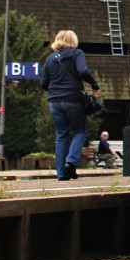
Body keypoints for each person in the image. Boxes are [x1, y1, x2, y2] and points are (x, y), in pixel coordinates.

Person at [38, 30, 100, 180]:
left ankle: (60, 173)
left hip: (55, 101)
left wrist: (55, 91)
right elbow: (83, 70)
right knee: (79, 132)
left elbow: (44, 83)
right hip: (73, 99)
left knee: (61, 135)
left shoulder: (50, 58)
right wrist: (94, 85)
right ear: (73, 40)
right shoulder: (76, 53)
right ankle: (71, 162)